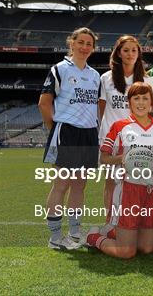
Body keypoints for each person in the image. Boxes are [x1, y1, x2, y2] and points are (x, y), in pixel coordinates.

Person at [87, 82, 153, 258]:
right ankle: (93, 236)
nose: (141, 102)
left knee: (147, 249)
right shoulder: (120, 127)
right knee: (126, 252)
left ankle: (115, 233)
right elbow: (103, 158)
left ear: (151, 103)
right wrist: (123, 159)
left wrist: (151, 159)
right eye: (136, 98)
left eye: (145, 98)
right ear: (129, 102)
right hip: (128, 189)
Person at [38, 27, 100, 250]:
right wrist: (54, 129)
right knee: (61, 184)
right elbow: (44, 103)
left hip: (89, 133)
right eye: (81, 42)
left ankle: (75, 232)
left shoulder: (94, 76)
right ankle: (55, 237)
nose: (84, 47)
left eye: (89, 44)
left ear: (93, 48)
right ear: (71, 43)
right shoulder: (60, 69)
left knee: (80, 185)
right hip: (67, 132)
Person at [99, 35, 147, 222]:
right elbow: (101, 110)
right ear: (118, 53)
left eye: (134, 50)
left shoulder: (145, 80)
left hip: (137, 141)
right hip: (110, 140)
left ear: (138, 54)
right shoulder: (106, 79)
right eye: (126, 50)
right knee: (110, 182)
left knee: (135, 184)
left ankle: (132, 222)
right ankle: (110, 222)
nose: (130, 54)